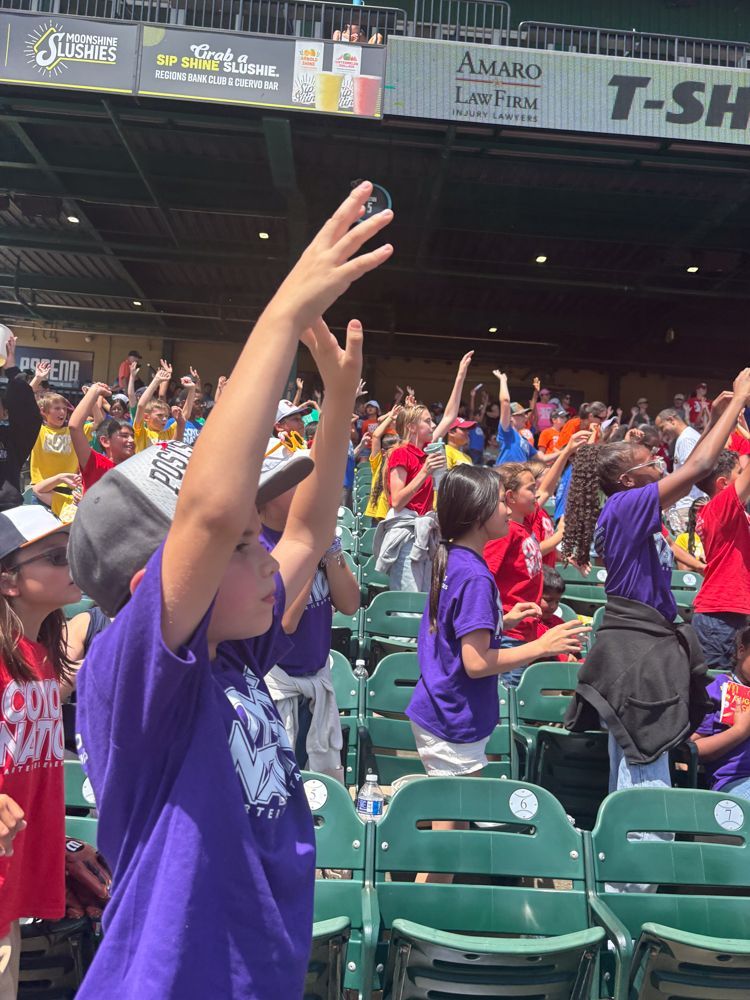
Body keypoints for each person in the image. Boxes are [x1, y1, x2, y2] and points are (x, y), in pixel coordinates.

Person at [66, 181, 394, 999]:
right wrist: (280, 316)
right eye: (248, 545)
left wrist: (342, 396)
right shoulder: (137, 678)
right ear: (159, 586)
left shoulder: (236, 654)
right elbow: (210, 516)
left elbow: (313, 534)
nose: (267, 558)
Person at [561, 369, 750, 804]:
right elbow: (699, 468)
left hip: (644, 649)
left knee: (638, 771)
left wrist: (710, 422)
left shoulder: (632, 508)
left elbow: (692, 465)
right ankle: (637, 869)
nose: (659, 466)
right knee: (646, 779)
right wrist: (739, 400)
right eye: (649, 464)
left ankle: (630, 869)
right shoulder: (626, 506)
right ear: (627, 481)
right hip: (636, 655)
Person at [406, 466, 585, 868]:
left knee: (452, 839)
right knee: (447, 853)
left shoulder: (452, 558)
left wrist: (501, 621)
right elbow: (475, 662)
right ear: (476, 513)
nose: (508, 510)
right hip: (451, 718)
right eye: (500, 502)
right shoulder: (476, 576)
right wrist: (541, 645)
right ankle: (416, 924)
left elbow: (456, 633)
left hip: (442, 710)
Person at [0, 505, 82, 997]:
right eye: (55, 557)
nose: (71, 565)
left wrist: (64, 847)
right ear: (8, 581)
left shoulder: (40, 655)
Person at [259, 451, 360, 779]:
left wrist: (330, 551)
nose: (306, 490)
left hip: (316, 682)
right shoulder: (259, 543)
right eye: (294, 483)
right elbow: (286, 621)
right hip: (277, 688)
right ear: (269, 493)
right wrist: (311, 551)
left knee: (321, 794)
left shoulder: (314, 538)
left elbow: (350, 604)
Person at [377, 352, 474, 592]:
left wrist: (461, 374)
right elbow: (397, 501)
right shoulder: (400, 453)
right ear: (411, 427)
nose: (433, 426)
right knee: (408, 605)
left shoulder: (424, 452)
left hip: (425, 532)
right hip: (407, 536)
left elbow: (450, 415)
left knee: (424, 602)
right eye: (428, 422)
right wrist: (425, 473)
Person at [691, 447, 750, 668]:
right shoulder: (720, 506)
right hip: (721, 615)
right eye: (739, 472)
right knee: (715, 693)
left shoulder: (727, 513)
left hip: (729, 611)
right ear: (724, 484)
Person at [691, 624, 750, 800]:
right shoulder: (717, 691)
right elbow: (693, 749)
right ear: (741, 651)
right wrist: (740, 731)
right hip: (738, 781)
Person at [0, 332, 42, 509]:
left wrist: (11, 369)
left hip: (7, 511)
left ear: (5, 413)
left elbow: (28, 414)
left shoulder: (11, 439)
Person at [68, 383, 136, 493]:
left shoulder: (136, 468)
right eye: (124, 436)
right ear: (105, 441)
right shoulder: (95, 464)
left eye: (132, 436)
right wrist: (94, 391)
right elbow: (74, 427)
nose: (131, 440)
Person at [655, 406, 704, 533]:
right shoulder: (686, 436)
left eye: (662, 428)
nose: (663, 433)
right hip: (689, 502)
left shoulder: (686, 439)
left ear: (671, 420)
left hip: (689, 504)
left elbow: (691, 473)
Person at [30, 393, 77, 518]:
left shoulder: (73, 431)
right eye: (57, 408)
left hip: (68, 491)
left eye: (65, 408)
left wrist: (93, 397)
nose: (62, 411)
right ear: (44, 412)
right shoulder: (36, 431)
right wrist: (37, 379)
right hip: (42, 491)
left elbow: (99, 422)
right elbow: (23, 411)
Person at [493, 371, 554, 467]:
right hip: (505, 479)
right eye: (520, 415)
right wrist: (503, 380)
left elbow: (543, 458)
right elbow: (505, 402)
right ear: (510, 418)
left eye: (524, 414)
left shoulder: (524, 440)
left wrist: (566, 451)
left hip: (520, 479)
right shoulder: (507, 432)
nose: (525, 417)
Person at [132, 368, 191, 452]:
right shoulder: (141, 432)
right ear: (146, 417)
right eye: (159, 415)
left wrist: (192, 389)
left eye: (166, 416)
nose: (164, 419)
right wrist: (156, 380)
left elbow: (184, 416)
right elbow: (141, 406)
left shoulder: (168, 433)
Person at [364, 405, 401, 521]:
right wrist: (390, 417)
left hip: (394, 517)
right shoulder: (378, 462)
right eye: (394, 449)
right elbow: (375, 436)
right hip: (377, 519)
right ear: (384, 452)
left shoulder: (401, 465)